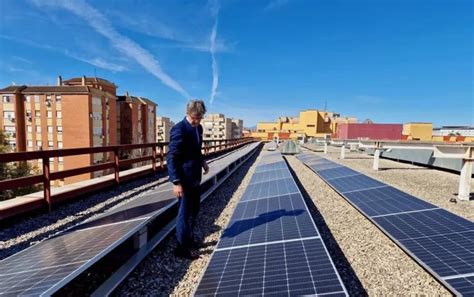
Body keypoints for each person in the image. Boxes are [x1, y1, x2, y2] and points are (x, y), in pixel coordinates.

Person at [167, 100, 209, 259]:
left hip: (195, 177)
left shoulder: (198, 128)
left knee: (194, 211)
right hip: (184, 179)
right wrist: (176, 182)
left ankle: (190, 241)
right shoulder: (179, 129)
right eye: (194, 118)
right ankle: (181, 248)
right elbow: (172, 157)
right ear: (188, 114)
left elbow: (196, 150)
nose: (196, 121)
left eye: (199, 118)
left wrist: (202, 161)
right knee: (183, 214)